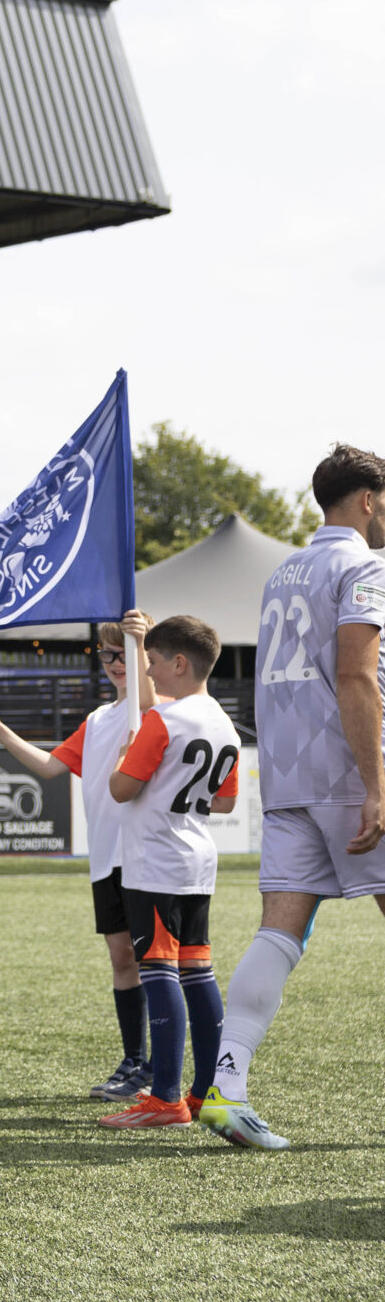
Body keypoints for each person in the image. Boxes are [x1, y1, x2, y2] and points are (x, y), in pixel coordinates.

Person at [202, 446, 385, 1149]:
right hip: (347, 773)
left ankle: (227, 1087)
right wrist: (375, 784)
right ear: (366, 499)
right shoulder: (364, 566)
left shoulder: (283, 570)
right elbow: (356, 677)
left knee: (280, 931)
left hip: (284, 776)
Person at [0, 612, 156, 1099]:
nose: (116, 663)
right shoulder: (98, 720)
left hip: (144, 854)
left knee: (156, 961)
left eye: (126, 653)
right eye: (108, 655)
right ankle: (134, 1060)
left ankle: (162, 1064)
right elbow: (51, 767)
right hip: (106, 857)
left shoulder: (154, 710)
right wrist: (2, 733)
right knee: (123, 959)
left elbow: (150, 701)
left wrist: (140, 644)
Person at [90, 615, 239, 1129]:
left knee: (159, 973)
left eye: (151, 662)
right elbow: (224, 802)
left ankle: (166, 1099)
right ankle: (204, 1094)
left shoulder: (164, 721)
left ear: (178, 663)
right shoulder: (224, 722)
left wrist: (128, 754)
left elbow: (120, 789)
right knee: (199, 973)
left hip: (154, 860)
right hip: (198, 859)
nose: (147, 672)